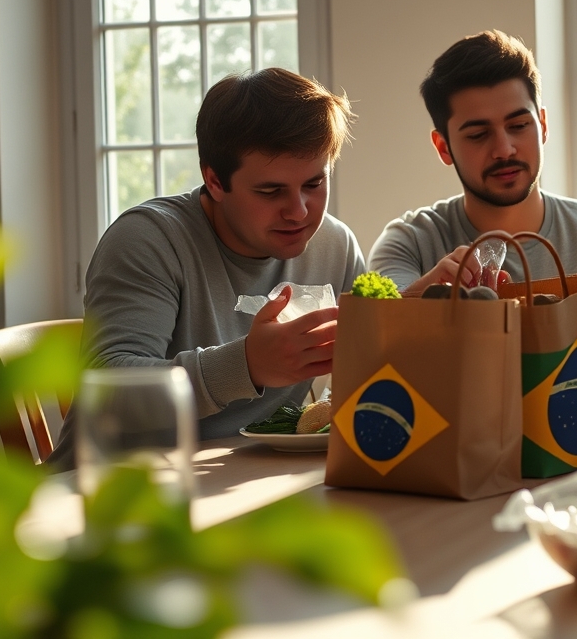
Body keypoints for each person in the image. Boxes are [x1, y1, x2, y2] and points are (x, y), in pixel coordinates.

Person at [47, 68, 366, 467]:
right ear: (214, 181)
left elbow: (370, 368)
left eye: (314, 184)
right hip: (109, 491)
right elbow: (108, 390)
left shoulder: (334, 246)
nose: (299, 211)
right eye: (270, 191)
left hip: (239, 482)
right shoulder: (149, 240)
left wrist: (417, 315)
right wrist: (247, 365)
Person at [369, 30, 577, 388]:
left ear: (543, 125)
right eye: (477, 135)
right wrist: (427, 298)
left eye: (518, 126)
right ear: (443, 147)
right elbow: (375, 357)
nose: (504, 149)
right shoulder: (408, 242)